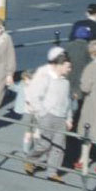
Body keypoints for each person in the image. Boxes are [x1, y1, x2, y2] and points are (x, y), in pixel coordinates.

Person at [24, 49, 72, 178]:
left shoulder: (66, 83)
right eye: (68, 67)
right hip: (48, 116)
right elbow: (36, 96)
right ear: (60, 65)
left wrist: (69, 118)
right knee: (44, 144)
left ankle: (52, 172)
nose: (69, 69)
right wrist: (43, 113)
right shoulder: (48, 79)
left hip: (61, 118)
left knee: (59, 147)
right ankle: (30, 159)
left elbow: (68, 102)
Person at [76, 39, 96, 175]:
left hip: (92, 104)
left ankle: (83, 159)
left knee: (87, 133)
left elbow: (85, 87)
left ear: (92, 53)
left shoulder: (91, 67)